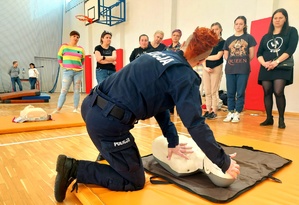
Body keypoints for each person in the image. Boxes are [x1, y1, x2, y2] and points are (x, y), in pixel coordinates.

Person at [54, 27, 240, 203]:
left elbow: (158, 104)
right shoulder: (184, 77)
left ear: (182, 43)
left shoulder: (158, 54)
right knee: (134, 181)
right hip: (107, 124)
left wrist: (172, 141)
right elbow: (196, 125)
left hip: (91, 106)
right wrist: (223, 162)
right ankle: (73, 168)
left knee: (117, 146)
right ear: (201, 62)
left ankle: (108, 153)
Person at [257, 8, 298, 129]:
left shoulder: (291, 31)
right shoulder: (266, 36)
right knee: (267, 91)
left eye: (280, 17)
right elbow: (259, 53)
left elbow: (291, 49)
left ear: (285, 19)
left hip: (281, 66)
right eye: (275, 18)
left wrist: (276, 62)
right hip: (266, 67)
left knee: (278, 91)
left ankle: (281, 119)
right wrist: (264, 64)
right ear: (272, 20)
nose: (277, 20)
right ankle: (269, 118)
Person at [223, 16, 257, 123]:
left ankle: (237, 112)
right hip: (230, 69)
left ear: (245, 25)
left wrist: (241, 61)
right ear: (234, 25)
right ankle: (230, 111)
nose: (238, 26)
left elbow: (251, 55)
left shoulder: (249, 38)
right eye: (236, 24)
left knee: (240, 92)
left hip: (243, 69)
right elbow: (226, 55)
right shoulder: (229, 39)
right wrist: (232, 61)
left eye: (241, 24)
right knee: (230, 92)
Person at [53, 30, 85, 113]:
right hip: (67, 72)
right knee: (64, 90)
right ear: (70, 37)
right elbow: (59, 57)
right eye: (74, 36)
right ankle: (58, 109)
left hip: (78, 72)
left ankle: (75, 108)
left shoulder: (80, 49)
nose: (76, 38)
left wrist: (79, 67)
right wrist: (62, 65)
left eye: (77, 37)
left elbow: (83, 60)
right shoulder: (64, 47)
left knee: (77, 91)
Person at [202, 22, 225, 119]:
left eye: (216, 29)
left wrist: (206, 57)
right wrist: (205, 67)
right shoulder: (208, 43)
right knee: (207, 91)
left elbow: (218, 56)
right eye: (213, 29)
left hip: (216, 67)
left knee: (214, 90)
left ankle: (214, 111)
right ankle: (208, 110)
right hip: (206, 68)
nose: (214, 31)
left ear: (220, 30)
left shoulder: (222, 42)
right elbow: (202, 56)